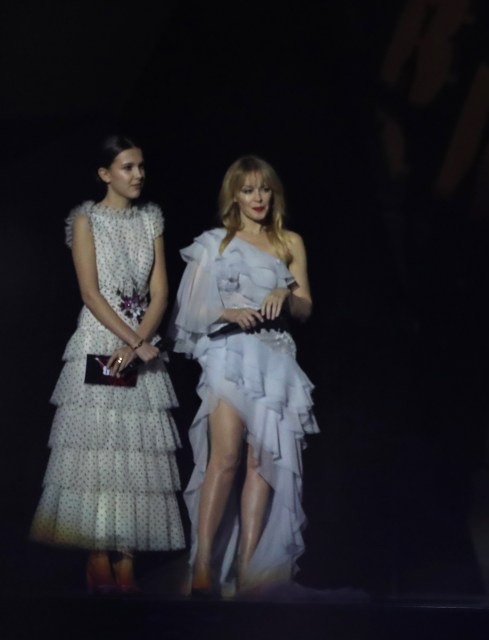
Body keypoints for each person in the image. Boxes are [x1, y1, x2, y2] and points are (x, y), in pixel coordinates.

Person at [30, 135, 185, 593]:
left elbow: (161, 292)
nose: (138, 174)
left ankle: (127, 559)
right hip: (103, 339)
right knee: (98, 450)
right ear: (105, 174)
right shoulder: (86, 219)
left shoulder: (151, 219)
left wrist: (141, 343)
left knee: (137, 454)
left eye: (140, 166)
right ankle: (98, 553)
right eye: (127, 167)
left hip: (141, 346)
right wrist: (132, 340)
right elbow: (90, 292)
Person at [170, 155, 318, 597]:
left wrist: (285, 291)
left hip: (276, 357)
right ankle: (202, 565)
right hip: (229, 354)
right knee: (226, 457)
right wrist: (227, 311)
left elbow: (306, 307)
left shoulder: (290, 241)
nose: (258, 198)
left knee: (261, 463)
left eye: (265, 189)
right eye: (249, 190)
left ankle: (249, 568)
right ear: (234, 195)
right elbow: (188, 312)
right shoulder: (214, 243)